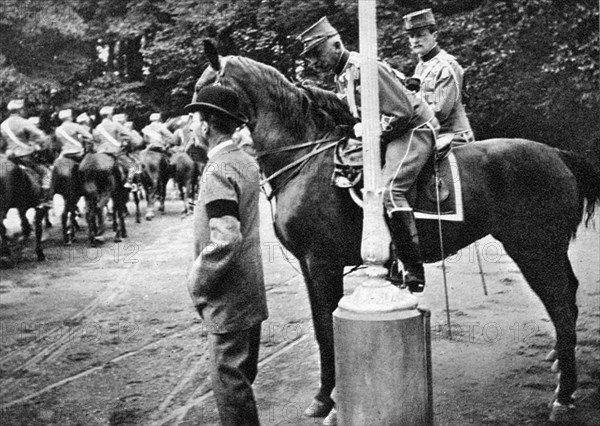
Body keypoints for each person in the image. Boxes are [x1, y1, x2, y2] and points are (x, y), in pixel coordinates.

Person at [298, 17, 439, 292]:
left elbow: (402, 112)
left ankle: (411, 267)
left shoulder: (365, 68)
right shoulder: (343, 75)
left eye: (317, 53)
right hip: (392, 131)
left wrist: (372, 133)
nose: (315, 61)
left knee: (389, 190)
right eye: (311, 56)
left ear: (336, 44)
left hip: (413, 129)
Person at [185, 86, 268, 426]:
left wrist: (198, 280)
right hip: (250, 291)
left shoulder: (218, 169)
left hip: (228, 295)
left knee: (230, 388)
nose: (192, 127)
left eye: (193, 120)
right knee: (241, 379)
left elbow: (227, 237)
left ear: (206, 126)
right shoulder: (246, 161)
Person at [404, 8, 474, 145]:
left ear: (434, 36)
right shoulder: (421, 66)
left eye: (420, 35)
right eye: (411, 36)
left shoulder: (447, 66)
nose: (415, 41)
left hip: (453, 137)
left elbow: (439, 111)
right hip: (431, 134)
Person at [1, 99, 53, 208]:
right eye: (23, 109)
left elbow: (2, 143)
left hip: (8, 158)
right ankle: (43, 200)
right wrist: (38, 145)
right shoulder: (24, 122)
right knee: (47, 174)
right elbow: (41, 136)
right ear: (20, 110)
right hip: (25, 157)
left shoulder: (3, 125)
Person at [92, 106, 139, 191]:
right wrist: (135, 143)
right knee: (133, 167)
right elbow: (129, 135)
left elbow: (96, 140)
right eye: (111, 114)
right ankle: (129, 182)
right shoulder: (115, 124)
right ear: (109, 115)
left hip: (101, 152)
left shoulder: (98, 127)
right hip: (115, 151)